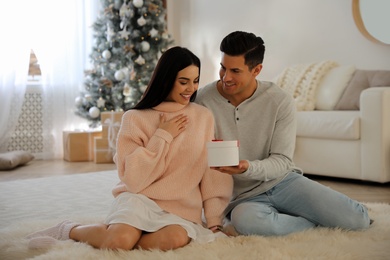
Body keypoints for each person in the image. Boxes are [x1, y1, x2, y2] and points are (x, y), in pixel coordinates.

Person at [26, 46, 233, 251]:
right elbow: (133, 181)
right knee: (119, 241)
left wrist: (214, 220)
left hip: (181, 209)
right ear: (166, 79)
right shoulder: (134, 118)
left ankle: (120, 239)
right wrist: (163, 135)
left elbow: (211, 172)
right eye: (183, 82)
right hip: (139, 199)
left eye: (195, 81)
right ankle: (69, 230)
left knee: (175, 239)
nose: (191, 89)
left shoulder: (202, 117)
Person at [195, 31, 371, 237]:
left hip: (282, 182)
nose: (226, 77)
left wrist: (247, 167)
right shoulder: (203, 100)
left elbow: (282, 161)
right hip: (242, 197)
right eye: (223, 68)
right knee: (247, 221)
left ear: (257, 70)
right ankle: (313, 225)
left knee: (358, 220)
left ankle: (294, 215)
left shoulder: (279, 101)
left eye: (235, 70)